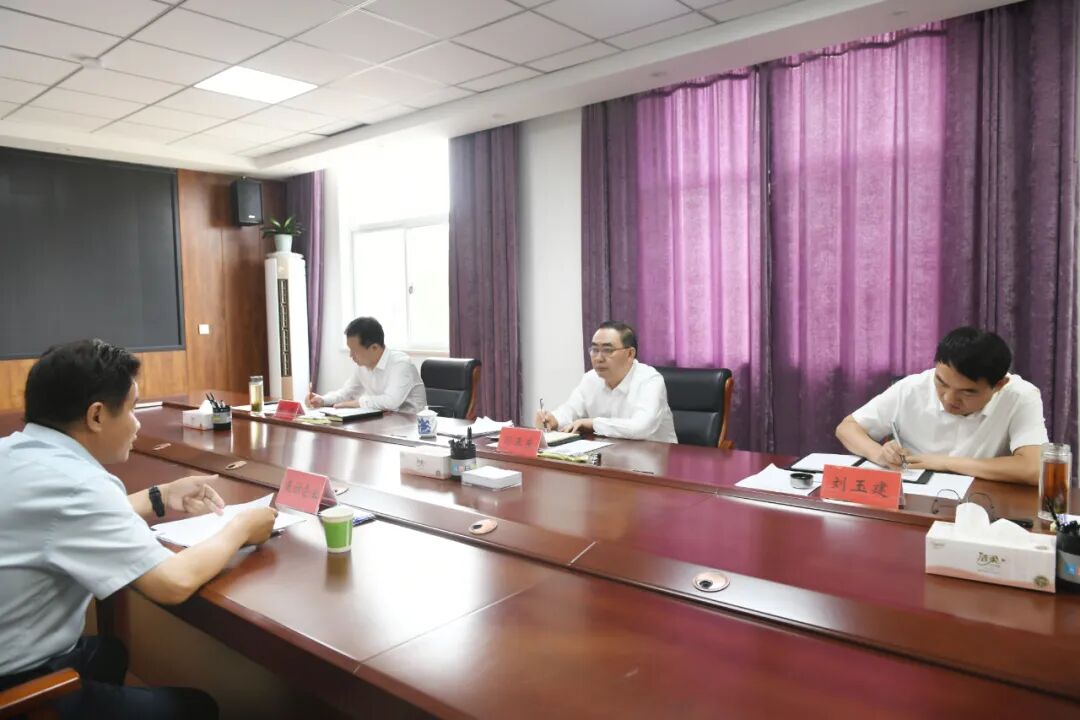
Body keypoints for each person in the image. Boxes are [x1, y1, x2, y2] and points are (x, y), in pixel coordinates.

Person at [0, 339, 278, 719]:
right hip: (14, 685)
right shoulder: (79, 485)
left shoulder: (16, 453)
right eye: (132, 408)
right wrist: (242, 526)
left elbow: (64, 521)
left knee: (110, 653)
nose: (137, 423)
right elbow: (172, 582)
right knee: (196, 708)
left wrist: (160, 496)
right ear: (97, 416)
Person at [835, 326, 1049, 485]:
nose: (949, 398)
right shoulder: (913, 387)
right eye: (942, 383)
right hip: (914, 493)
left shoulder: (1020, 396)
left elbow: (1033, 469)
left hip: (981, 502)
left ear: (999, 385)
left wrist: (944, 463)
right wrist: (879, 454)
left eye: (967, 392)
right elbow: (847, 428)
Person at [535, 321, 677, 443]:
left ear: (630, 354)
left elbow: (641, 428)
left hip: (656, 458)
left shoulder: (650, 380)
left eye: (608, 350)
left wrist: (593, 423)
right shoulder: (590, 379)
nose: (598, 358)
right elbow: (570, 410)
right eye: (594, 350)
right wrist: (553, 419)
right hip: (610, 454)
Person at [307, 317, 427, 413]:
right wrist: (323, 400)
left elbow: (391, 402)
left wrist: (356, 403)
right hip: (382, 422)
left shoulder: (401, 364)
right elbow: (347, 392)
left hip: (411, 426)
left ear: (374, 348)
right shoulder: (363, 366)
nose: (351, 356)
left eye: (355, 351)